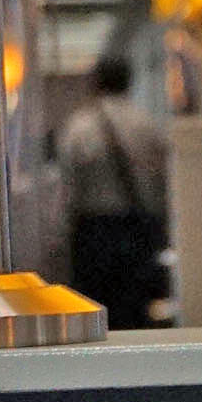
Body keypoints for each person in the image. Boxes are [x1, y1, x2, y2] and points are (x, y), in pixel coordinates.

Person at [58, 52, 171, 331]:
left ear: (96, 83)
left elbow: (69, 189)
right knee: (137, 308)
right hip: (139, 229)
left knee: (97, 310)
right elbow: (163, 181)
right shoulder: (147, 126)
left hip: (95, 232)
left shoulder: (79, 127)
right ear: (129, 82)